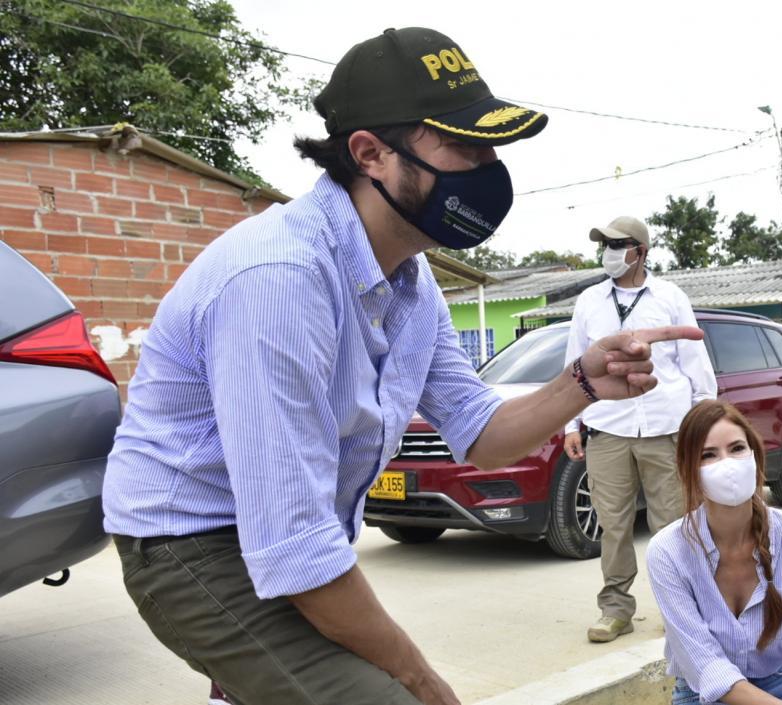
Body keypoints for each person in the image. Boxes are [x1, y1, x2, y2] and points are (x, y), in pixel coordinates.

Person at [101, 27, 701, 705]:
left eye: (491, 145)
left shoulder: (411, 285)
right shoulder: (281, 279)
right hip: (190, 543)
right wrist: (422, 681)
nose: (487, 165)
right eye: (463, 144)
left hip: (279, 536)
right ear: (371, 153)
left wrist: (583, 382)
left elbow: (481, 432)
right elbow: (295, 545)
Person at [563, 215, 717, 642]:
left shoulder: (669, 297)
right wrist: (570, 424)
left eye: (618, 244)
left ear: (641, 251)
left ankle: (684, 611)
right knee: (613, 525)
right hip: (607, 428)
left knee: (673, 525)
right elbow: (574, 365)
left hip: (666, 428)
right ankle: (615, 609)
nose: (609, 252)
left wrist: (701, 424)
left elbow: (695, 365)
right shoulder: (589, 301)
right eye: (605, 244)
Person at [647, 400, 782, 705]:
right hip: (701, 695)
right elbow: (707, 667)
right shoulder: (667, 552)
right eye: (709, 455)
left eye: (736, 449)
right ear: (689, 471)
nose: (728, 464)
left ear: (756, 456)